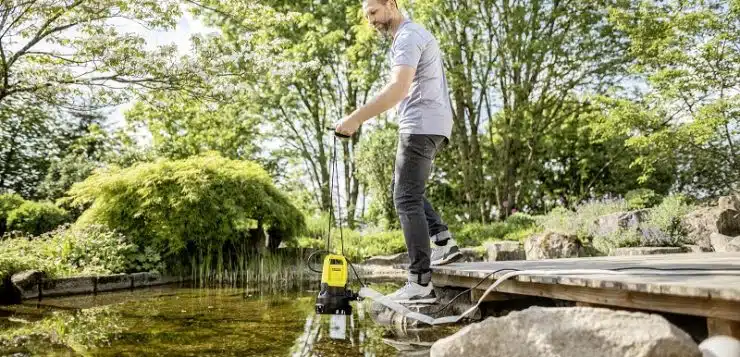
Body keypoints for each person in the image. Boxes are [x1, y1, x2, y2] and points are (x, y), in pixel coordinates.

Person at [333, 0, 461, 304]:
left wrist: (355, 118)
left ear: (391, 4)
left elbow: (398, 89)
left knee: (404, 198)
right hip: (433, 124)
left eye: (374, 13)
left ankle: (420, 282)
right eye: (367, 17)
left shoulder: (407, 36)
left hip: (421, 123)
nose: (371, 21)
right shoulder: (411, 35)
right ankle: (443, 241)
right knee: (405, 190)